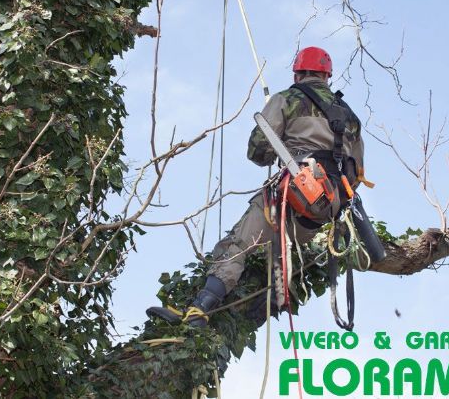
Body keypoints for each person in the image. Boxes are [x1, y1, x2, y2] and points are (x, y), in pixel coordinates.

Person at [147, 46, 367, 327]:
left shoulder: (287, 99)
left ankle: (199, 309)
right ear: (327, 76)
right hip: (326, 209)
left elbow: (258, 150)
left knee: (238, 245)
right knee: (276, 248)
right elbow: (356, 173)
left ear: (298, 74)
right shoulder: (350, 118)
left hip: (295, 193)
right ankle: (270, 299)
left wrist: (283, 147)